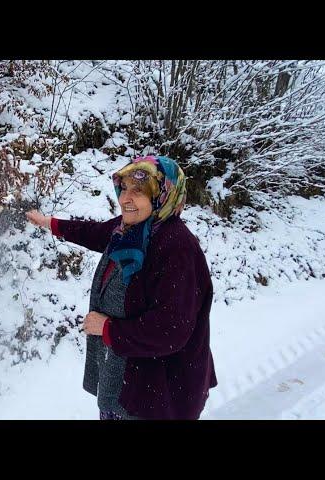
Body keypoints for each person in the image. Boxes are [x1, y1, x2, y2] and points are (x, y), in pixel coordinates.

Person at [26, 155, 217, 420]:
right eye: (124, 188)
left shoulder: (176, 247)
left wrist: (107, 329)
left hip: (157, 395)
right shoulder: (132, 230)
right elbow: (93, 233)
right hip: (127, 382)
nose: (125, 198)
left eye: (138, 191)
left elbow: (171, 329)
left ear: (163, 194)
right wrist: (51, 224)